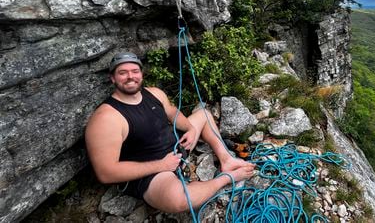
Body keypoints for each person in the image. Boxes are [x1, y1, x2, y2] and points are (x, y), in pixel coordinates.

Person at [85, 51, 255, 213]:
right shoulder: (106, 118)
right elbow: (106, 172)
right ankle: (226, 178)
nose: (130, 76)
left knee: (204, 115)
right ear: (113, 78)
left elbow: (172, 112)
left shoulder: (154, 93)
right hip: (153, 172)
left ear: (141, 74)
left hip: (176, 149)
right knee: (181, 200)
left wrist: (189, 128)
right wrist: (162, 165)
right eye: (123, 73)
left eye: (135, 71)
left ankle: (226, 159)